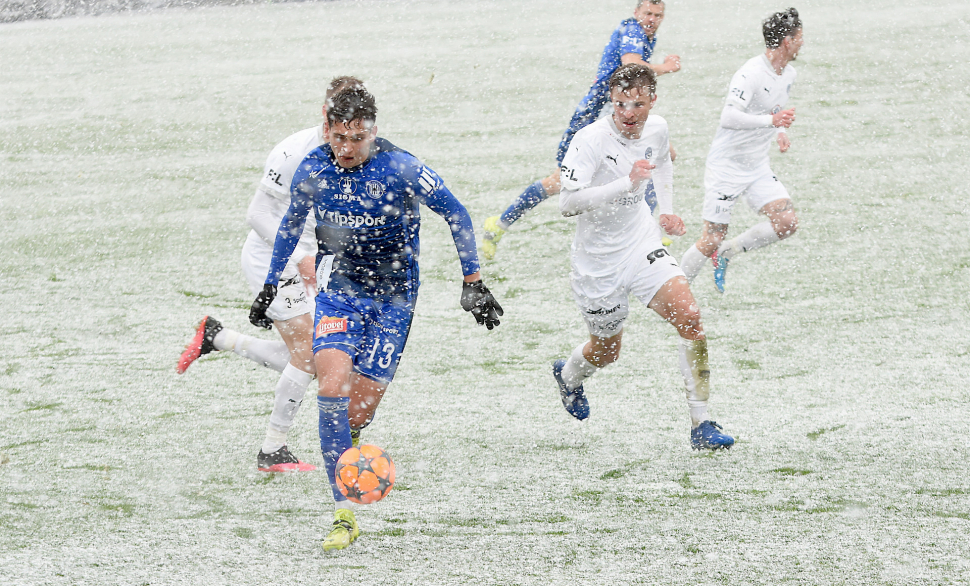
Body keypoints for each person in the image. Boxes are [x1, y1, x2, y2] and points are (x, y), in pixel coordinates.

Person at [249, 83, 502, 551]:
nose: (345, 149)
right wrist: (269, 284)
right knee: (331, 387)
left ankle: (350, 442)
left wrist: (473, 280)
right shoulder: (313, 168)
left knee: (357, 411)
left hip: (394, 302)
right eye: (338, 138)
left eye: (356, 139)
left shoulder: (402, 167)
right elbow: (287, 225)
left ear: (374, 132)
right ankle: (342, 513)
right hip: (338, 296)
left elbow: (457, 213)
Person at [177, 77, 365, 473]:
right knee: (311, 355)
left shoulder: (356, 150)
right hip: (272, 260)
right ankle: (272, 450)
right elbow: (258, 214)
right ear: (324, 113)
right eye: (337, 120)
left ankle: (219, 337)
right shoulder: (294, 152)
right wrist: (299, 257)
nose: (344, 132)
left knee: (321, 357)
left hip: (314, 264)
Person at [553, 63, 734, 451]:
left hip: (640, 243)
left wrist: (665, 209)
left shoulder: (657, 128)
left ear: (653, 99)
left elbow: (663, 162)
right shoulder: (590, 139)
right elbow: (567, 204)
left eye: (637, 104)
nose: (628, 114)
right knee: (606, 351)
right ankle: (568, 377)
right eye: (620, 105)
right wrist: (627, 182)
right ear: (611, 102)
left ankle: (701, 424)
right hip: (597, 263)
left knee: (690, 316)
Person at [481, 0, 681, 259]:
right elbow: (631, 64)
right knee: (560, 183)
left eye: (658, 15)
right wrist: (666, 67)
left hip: (615, 112)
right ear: (637, 13)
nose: (652, 19)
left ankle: (649, 232)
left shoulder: (641, 33)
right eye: (647, 13)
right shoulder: (632, 31)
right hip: (594, 115)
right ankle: (499, 225)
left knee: (661, 155)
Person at [679, 8, 803, 292]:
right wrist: (772, 121)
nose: (802, 43)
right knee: (710, 237)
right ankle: (676, 292)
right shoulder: (751, 73)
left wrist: (780, 131)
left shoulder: (789, 73)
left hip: (757, 166)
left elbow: (775, 108)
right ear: (787, 41)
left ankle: (728, 251)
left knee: (786, 222)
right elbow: (729, 117)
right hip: (727, 167)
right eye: (799, 37)